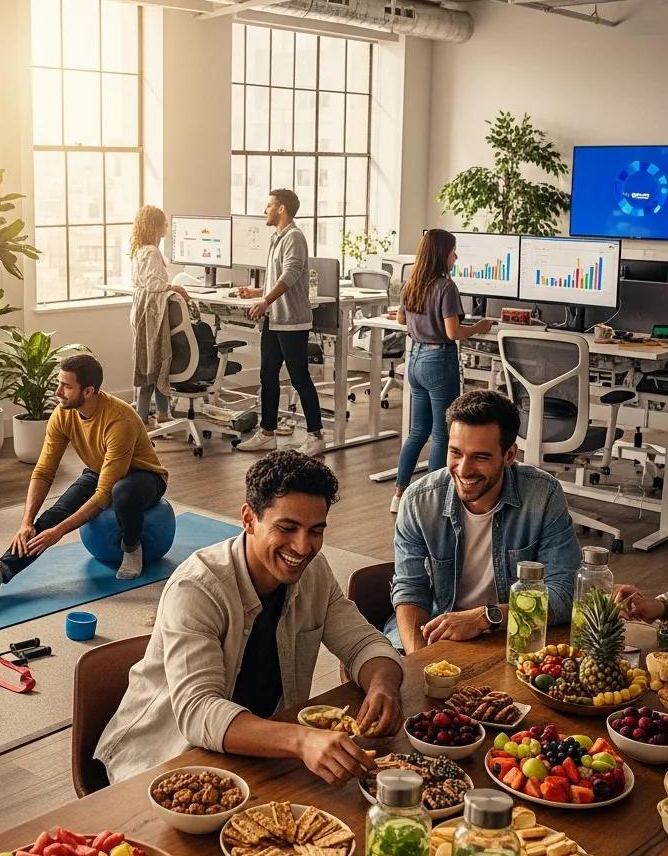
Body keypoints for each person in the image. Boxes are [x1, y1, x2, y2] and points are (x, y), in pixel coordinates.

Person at [96, 450, 405, 785]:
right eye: (287, 528)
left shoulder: (314, 573)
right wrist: (300, 740)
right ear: (248, 519)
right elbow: (199, 711)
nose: (303, 547)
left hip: (263, 755)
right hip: (164, 763)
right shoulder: (197, 588)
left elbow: (364, 643)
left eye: (316, 531)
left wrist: (383, 686)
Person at [0, 354, 168, 591]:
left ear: (88, 392)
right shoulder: (63, 414)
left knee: (122, 491)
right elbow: (43, 471)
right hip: (98, 469)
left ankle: (133, 548)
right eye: (59, 383)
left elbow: (104, 494)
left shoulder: (119, 420)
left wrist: (59, 533)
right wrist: (26, 522)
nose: (57, 392)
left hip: (144, 477)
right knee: (54, 515)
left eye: (66, 386)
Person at [389, 389, 582, 654]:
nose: (464, 469)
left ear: (509, 455)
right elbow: (410, 589)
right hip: (435, 628)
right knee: (377, 672)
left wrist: (487, 617)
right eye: (455, 453)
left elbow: (565, 592)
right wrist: (419, 661)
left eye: (480, 457)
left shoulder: (543, 495)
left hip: (510, 633)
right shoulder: (418, 500)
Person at [390, 229, 495, 515]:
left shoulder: (411, 283)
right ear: (441, 254)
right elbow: (452, 332)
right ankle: (435, 498)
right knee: (441, 434)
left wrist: (422, 320)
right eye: (453, 252)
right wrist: (478, 328)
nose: (456, 256)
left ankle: (399, 493)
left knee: (416, 431)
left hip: (415, 359)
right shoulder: (446, 287)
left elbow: (401, 318)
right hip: (439, 361)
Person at [234, 189, 326, 458]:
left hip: (292, 321)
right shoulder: (278, 238)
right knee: (267, 375)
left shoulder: (294, 237)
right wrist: (257, 293)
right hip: (275, 319)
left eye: (269, 205)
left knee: (299, 377)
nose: (266, 210)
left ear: (282, 208)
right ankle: (267, 433)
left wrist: (264, 301)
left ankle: (316, 436)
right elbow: (277, 275)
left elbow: (292, 273)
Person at [128, 205, 191, 426]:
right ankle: (142, 420)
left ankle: (162, 414)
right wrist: (177, 289)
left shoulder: (140, 251)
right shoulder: (152, 252)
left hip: (143, 312)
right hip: (154, 315)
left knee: (152, 363)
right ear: (155, 227)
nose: (167, 227)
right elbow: (155, 283)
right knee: (158, 364)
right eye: (164, 223)